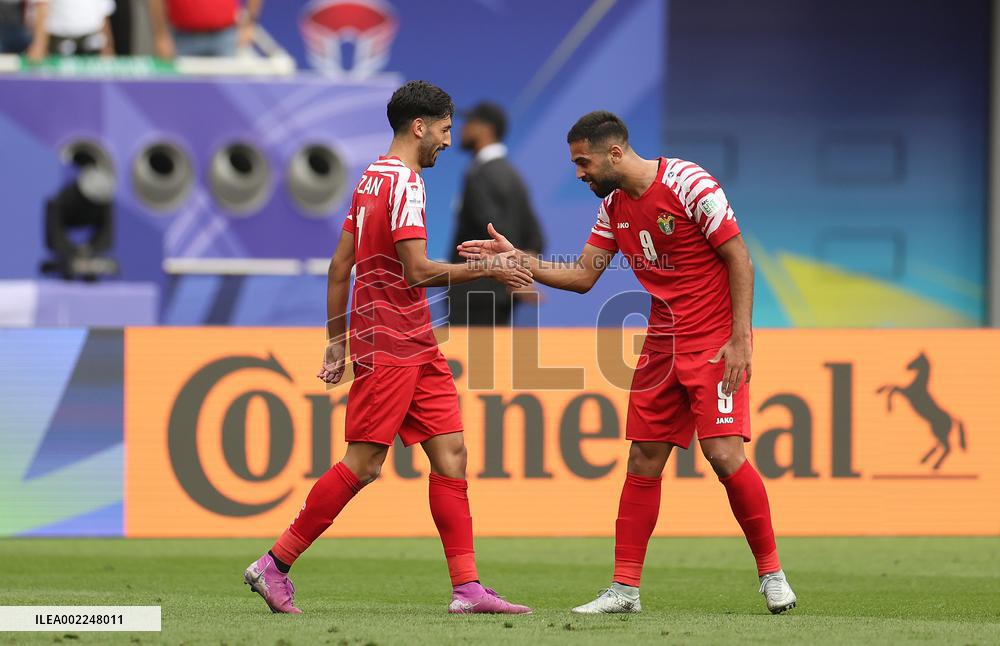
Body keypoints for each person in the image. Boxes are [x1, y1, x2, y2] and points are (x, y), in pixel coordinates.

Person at [457, 111, 797, 615]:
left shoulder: (689, 183)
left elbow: (739, 258)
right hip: (661, 341)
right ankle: (625, 590)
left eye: (583, 162)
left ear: (614, 153)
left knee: (724, 456)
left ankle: (772, 574)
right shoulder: (613, 207)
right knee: (642, 460)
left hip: (713, 340)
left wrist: (741, 339)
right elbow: (580, 275)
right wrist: (520, 259)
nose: (579, 173)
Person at [243, 80, 533, 616]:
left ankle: (467, 589)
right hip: (392, 339)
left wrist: (336, 342)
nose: (448, 140)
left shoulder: (371, 179)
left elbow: (339, 266)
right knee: (365, 463)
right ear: (419, 126)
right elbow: (418, 271)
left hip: (412, 338)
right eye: (445, 130)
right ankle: (274, 564)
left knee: (451, 453)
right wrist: (488, 267)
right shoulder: (406, 185)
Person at [448, 102, 545, 326]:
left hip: (475, 295)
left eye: (469, 123)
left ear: (486, 129)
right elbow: (536, 236)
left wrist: (516, 272)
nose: (461, 129)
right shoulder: (513, 176)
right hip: (497, 295)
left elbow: (498, 230)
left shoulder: (480, 175)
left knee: (472, 361)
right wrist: (521, 273)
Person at [146, 0, 261, 58]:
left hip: (225, 37)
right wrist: (161, 35)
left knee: (226, 95)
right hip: (182, 38)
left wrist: (249, 23)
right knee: (182, 94)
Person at [26, 0, 115, 61]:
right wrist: (39, 45)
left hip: (92, 38)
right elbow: (42, 6)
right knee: (61, 84)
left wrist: (107, 45)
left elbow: (103, 12)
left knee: (92, 83)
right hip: (60, 38)